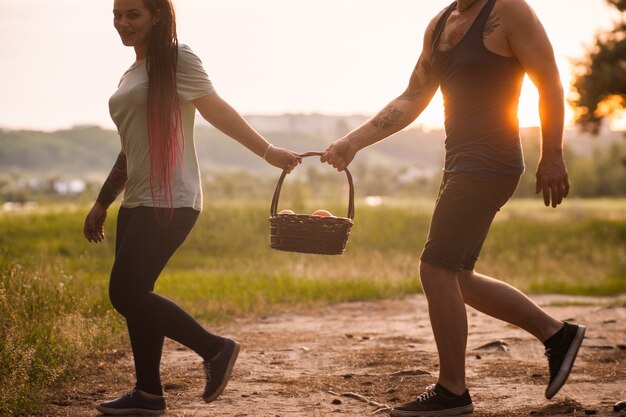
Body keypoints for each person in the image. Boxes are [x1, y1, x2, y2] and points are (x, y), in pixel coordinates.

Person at [321, 0, 585, 415]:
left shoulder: (509, 10)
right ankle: (557, 335)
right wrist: (353, 141)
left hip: (490, 162)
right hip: (460, 163)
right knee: (459, 276)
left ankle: (453, 391)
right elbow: (413, 97)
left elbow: (549, 81)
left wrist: (551, 152)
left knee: (435, 269)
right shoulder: (440, 24)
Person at [83, 0, 301, 414]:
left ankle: (215, 348)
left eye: (133, 14)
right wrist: (103, 201)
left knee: (125, 292)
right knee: (137, 295)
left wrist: (267, 151)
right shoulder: (132, 73)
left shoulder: (177, 58)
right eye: (117, 14)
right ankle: (148, 394)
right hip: (137, 199)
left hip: (171, 198)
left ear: (157, 16)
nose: (122, 23)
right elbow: (130, 149)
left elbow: (216, 108)